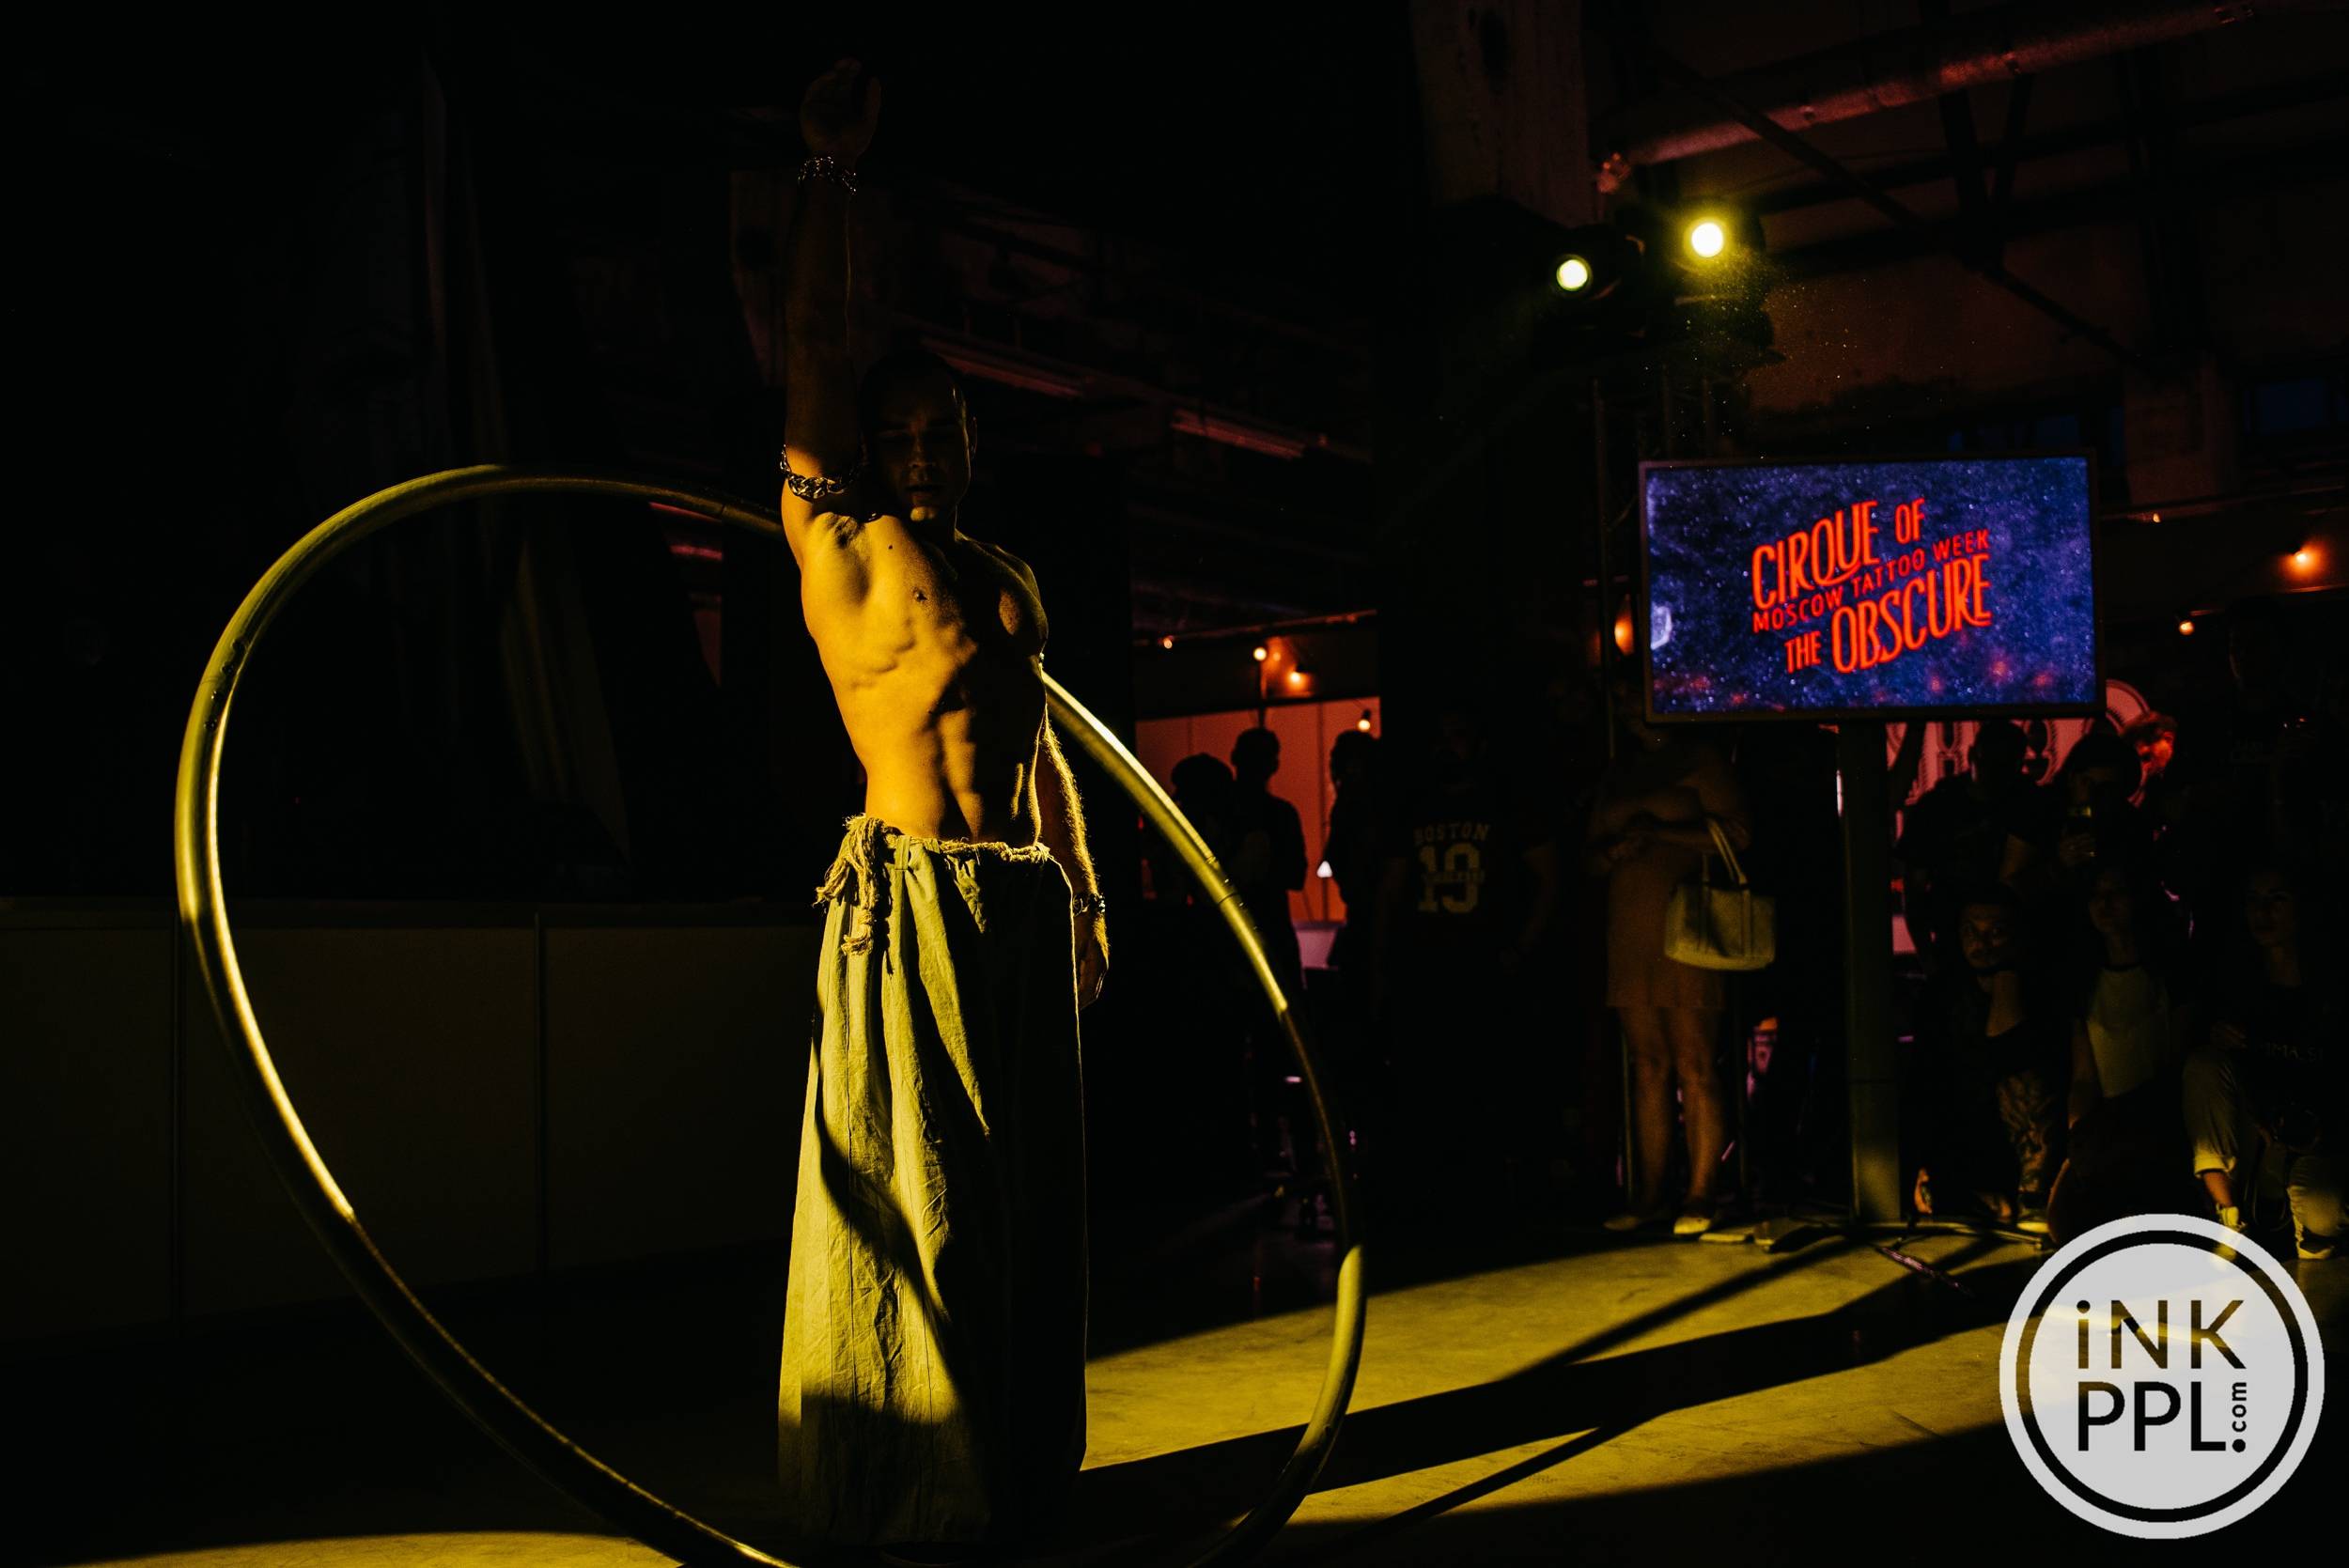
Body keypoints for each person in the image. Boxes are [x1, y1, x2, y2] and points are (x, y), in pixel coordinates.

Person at [771, 59, 1102, 1556]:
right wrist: (831, 175)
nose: (921, 452)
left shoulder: (1007, 577)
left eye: (943, 430)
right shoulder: (843, 546)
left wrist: (1081, 888)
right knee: (928, 1209)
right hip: (914, 896)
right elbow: (814, 346)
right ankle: (916, 1481)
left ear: (971, 438)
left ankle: (1017, 1465)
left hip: (1019, 896)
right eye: (897, 433)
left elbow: (1046, 747)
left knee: (1024, 1210)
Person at [1375, 699, 1560, 1224]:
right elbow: (1389, 892)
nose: (1446, 748)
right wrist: (1384, 965)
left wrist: (1521, 947)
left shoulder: (1506, 803)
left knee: (1489, 1087)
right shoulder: (1416, 807)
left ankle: (1488, 1202)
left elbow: (1551, 877)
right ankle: (1445, 1201)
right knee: (1434, 1090)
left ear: (1479, 744)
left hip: (1486, 970)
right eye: (1441, 738)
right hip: (1429, 971)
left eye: (1457, 736)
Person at [1584, 674, 1751, 1236]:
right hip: (1630, 927)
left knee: (1694, 1061)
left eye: (1631, 693)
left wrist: (1659, 833)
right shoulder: (1621, 769)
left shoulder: (1699, 759)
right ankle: (1651, 1193)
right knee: (1648, 1064)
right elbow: (1588, 855)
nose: (1624, 704)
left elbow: (1739, 834)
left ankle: (1701, 1191)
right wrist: (1614, 851)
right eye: (1618, 697)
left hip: (1687, 926)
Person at [2183, 862, 2344, 1260]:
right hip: (2258, 1129)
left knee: (2322, 1209)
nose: (2263, 912)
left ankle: (2310, 1227)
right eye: (2253, 901)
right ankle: (2229, 1217)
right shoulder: (2239, 983)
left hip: (2319, 1136)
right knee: (2204, 1066)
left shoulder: (2331, 988)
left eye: (2277, 900)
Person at [2044, 864, 2199, 1243]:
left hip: (2157, 1119)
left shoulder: (2169, 974)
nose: (2105, 905)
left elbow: (2178, 1063)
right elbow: (2084, 1077)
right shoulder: (2085, 983)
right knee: (2064, 1224)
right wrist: (2079, 1143)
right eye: (2096, 896)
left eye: (2116, 893)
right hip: (2105, 1126)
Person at [1911, 884, 2065, 1233]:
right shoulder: (1943, 995)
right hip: (1966, 1132)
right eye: (1971, 932)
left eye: (1996, 932)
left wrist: (2007, 980)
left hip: (2023, 1140)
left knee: (2023, 1088)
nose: (1982, 944)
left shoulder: (2040, 989)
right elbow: (1925, 1082)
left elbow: (2015, 1059)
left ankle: (2031, 1197)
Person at [1895, 721, 2052, 973]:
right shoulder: (1938, 807)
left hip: (2002, 938)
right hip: (1965, 938)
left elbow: (1914, 889)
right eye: (1991, 762)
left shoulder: (2030, 802)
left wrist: (1927, 957)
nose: (1996, 774)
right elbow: (1914, 891)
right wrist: (1927, 956)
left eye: (2005, 765)